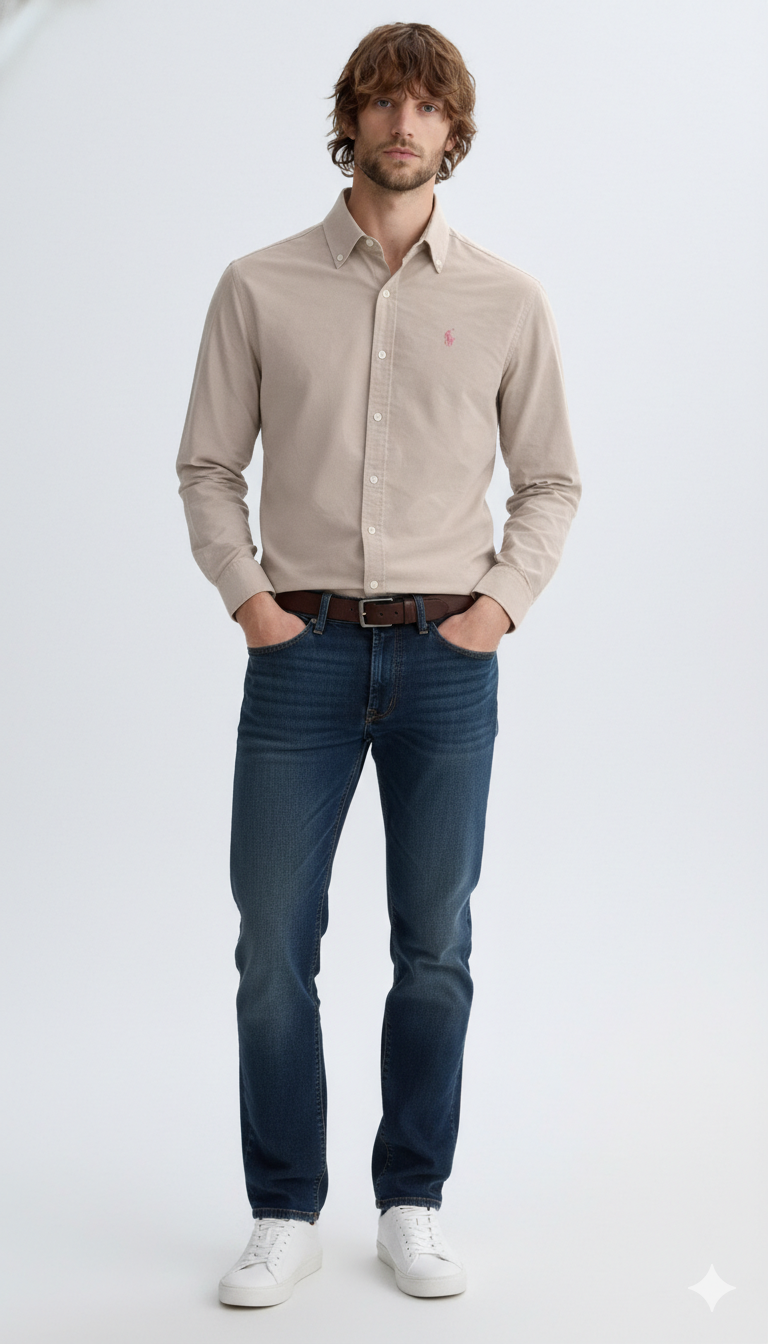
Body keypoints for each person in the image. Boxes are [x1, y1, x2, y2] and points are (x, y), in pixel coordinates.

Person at [176, 20, 581, 1308]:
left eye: (428, 106)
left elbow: (552, 481)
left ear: (454, 132)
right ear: (349, 119)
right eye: (383, 101)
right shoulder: (258, 285)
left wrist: (498, 609)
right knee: (271, 944)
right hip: (296, 655)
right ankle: (283, 1208)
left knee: (435, 945)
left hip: (448, 660)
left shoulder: (507, 298)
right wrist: (251, 603)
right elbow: (207, 465)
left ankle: (412, 1198)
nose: (404, 124)